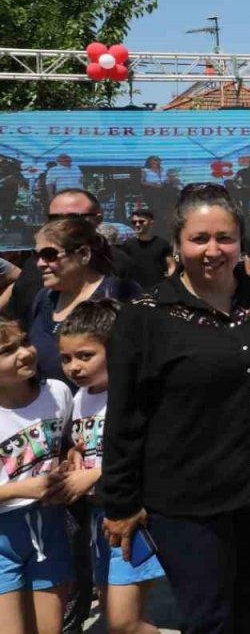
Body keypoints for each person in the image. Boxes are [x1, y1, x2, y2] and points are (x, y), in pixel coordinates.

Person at [102, 183, 250, 633]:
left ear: (240, 241)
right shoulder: (144, 316)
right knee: (209, 618)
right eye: (200, 238)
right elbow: (125, 416)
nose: (213, 250)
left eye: (225, 238)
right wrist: (121, 502)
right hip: (187, 500)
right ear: (178, 243)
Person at [55, 300, 164, 634]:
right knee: (113, 615)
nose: (74, 367)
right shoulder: (80, 397)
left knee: (122, 621)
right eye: (66, 358)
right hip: (98, 520)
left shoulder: (133, 393)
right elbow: (85, 444)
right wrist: (74, 456)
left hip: (133, 517)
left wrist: (95, 474)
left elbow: (151, 454)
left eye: (86, 356)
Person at [0, 319, 73, 634]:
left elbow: (69, 446)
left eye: (24, 343)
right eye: (7, 351)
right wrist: (24, 488)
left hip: (51, 526)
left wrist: (70, 464)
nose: (25, 354)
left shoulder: (57, 393)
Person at [2, 191, 138, 329]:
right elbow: (19, 309)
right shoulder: (35, 264)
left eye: (73, 218)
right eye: (54, 218)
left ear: (98, 219)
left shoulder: (120, 266)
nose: (62, 225)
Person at [28, 218, 139, 386]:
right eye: (36, 255)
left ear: (84, 254)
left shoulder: (120, 294)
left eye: (49, 255)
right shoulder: (43, 298)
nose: (40, 264)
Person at [120, 208, 174, 290]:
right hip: (133, 291)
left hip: (157, 290)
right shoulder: (127, 245)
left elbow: (171, 266)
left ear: (151, 223)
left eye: (141, 221)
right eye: (134, 222)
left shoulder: (163, 244)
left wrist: (169, 285)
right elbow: (121, 268)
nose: (137, 224)